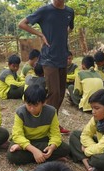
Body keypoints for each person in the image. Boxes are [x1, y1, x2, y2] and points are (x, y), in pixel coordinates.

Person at [18, 0, 74, 134]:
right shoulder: (44, 11)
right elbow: (22, 24)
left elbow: (70, 28)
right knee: (53, 92)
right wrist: (41, 34)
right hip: (49, 58)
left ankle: (53, 123)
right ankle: (45, 125)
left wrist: (61, 36)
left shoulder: (69, 12)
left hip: (62, 56)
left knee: (60, 93)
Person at [7, 84, 70, 165]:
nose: (32, 109)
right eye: (29, 105)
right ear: (24, 101)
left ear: (44, 102)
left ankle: (37, 155)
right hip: (26, 141)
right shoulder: (20, 112)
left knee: (66, 149)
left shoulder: (51, 111)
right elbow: (17, 135)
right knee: (12, 155)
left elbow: (55, 133)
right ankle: (44, 157)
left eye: (36, 105)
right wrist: (33, 150)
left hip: (42, 140)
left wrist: (52, 147)